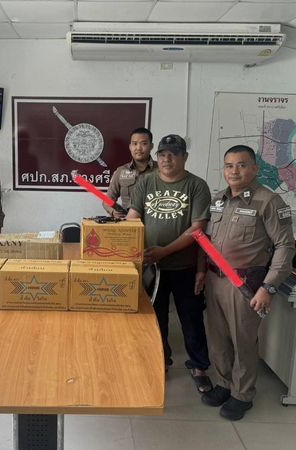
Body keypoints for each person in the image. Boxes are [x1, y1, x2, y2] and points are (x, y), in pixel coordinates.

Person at [199, 145, 295, 421]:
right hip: (215, 280)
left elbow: (285, 246)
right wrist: (201, 272)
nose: (234, 171)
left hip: (244, 284)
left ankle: (242, 394)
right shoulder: (218, 200)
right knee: (217, 338)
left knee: (243, 340)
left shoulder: (269, 201)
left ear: (254, 168)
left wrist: (268, 287)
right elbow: (207, 241)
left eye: (241, 165)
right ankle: (223, 383)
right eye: (229, 165)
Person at [127, 134, 213, 394]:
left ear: (184, 157)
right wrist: (123, 241)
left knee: (191, 318)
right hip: (151, 267)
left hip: (185, 266)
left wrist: (165, 251)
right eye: (162, 154)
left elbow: (198, 229)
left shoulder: (196, 186)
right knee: (156, 318)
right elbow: (133, 217)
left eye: (173, 154)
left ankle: (199, 367)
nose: (167, 159)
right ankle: (161, 361)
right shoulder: (146, 182)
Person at [103, 127, 157, 217]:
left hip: (154, 221)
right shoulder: (121, 171)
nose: (138, 148)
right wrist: (113, 212)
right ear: (130, 147)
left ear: (151, 146)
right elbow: (107, 200)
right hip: (129, 221)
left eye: (144, 143)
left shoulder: (161, 170)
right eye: (135, 144)